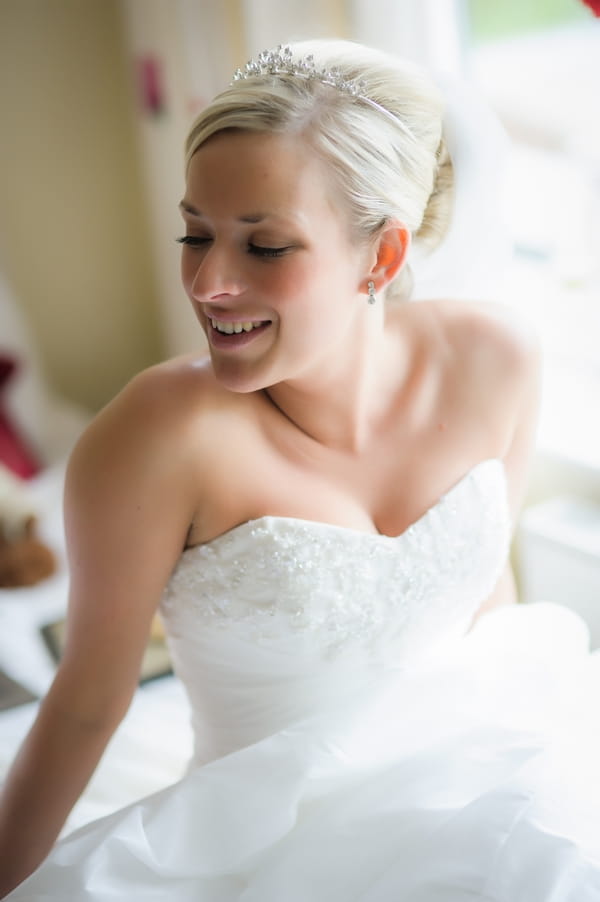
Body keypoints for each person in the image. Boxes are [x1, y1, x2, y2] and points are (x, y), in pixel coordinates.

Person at [1, 38, 599, 901]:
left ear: (382, 258)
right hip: (258, 843)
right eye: (194, 234)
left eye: (265, 247)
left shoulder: (495, 356)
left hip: (472, 779)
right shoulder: (155, 436)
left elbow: (487, 601)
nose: (208, 282)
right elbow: (88, 702)